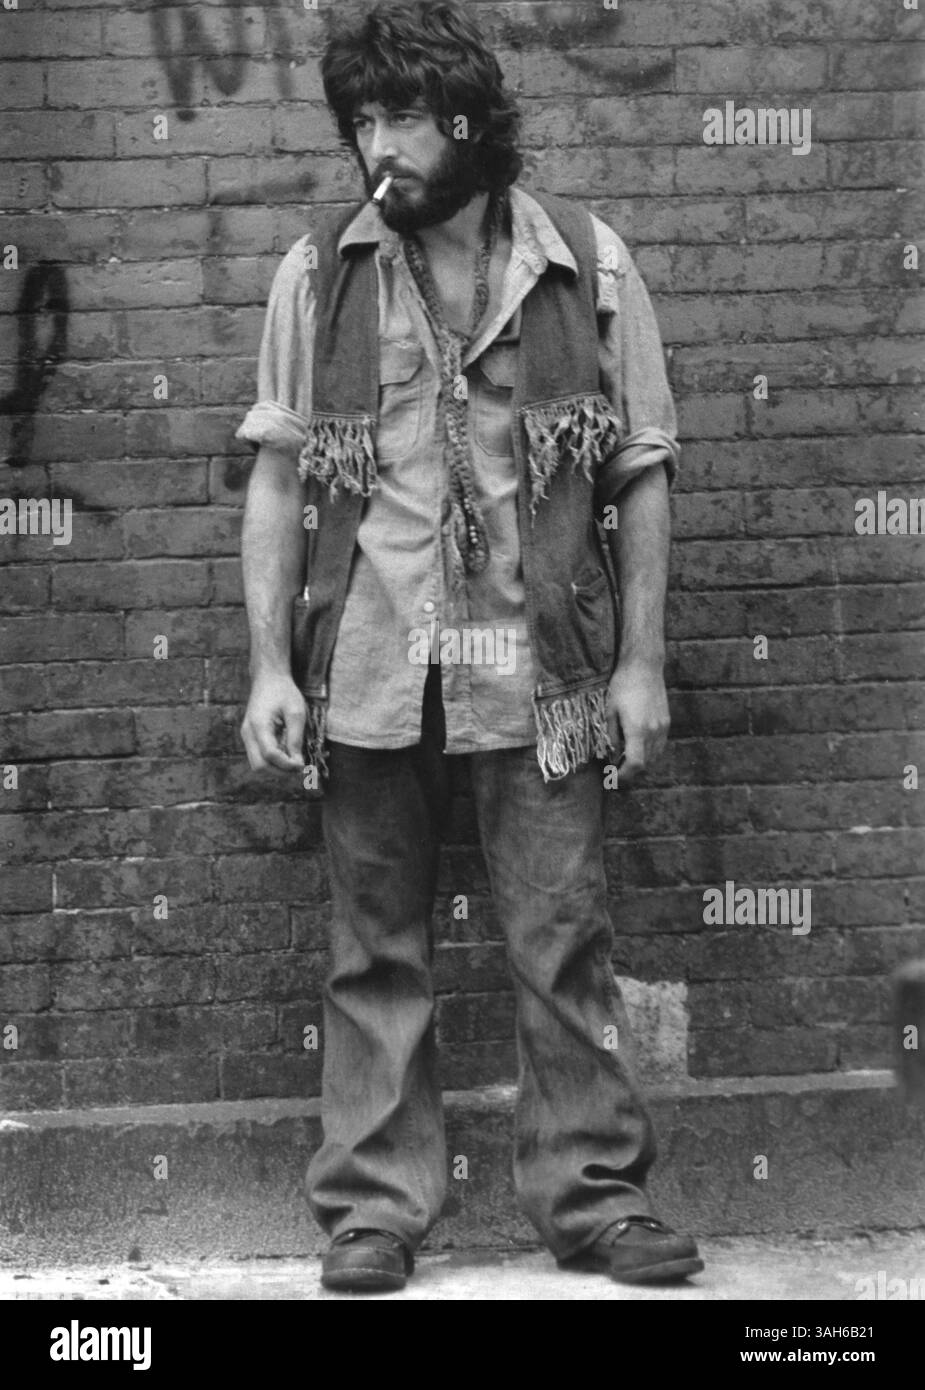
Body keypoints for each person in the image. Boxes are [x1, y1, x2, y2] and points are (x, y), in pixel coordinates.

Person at [237, 0, 703, 1293]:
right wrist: (271, 665)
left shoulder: (588, 266)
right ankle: (377, 1207)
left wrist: (640, 666)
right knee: (372, 942)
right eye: (356, 122)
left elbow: (640, 473)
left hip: (536, 667)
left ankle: (594, 1196)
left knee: (560, 936)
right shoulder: (319, 269)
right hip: (372, 660)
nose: (371, 149)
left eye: (395, 119)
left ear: (463, 123)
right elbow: (277, 477)